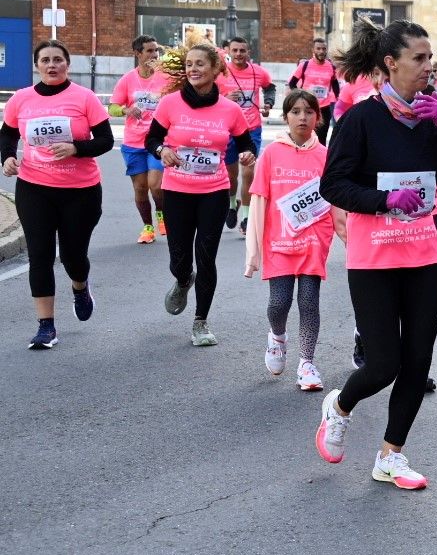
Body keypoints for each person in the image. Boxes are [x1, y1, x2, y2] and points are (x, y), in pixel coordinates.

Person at [315, 20, 437, 489]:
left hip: (423, 254)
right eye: (419, 59)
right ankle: (340, 406)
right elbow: (332, 184)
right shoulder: (361, 118)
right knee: (384, 363)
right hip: (374, 257)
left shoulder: (431, 119)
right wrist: (384, 201)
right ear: (390, 63)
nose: (429, 67)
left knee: (418, 360)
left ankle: (390, 455)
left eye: (430, 57)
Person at [1, 39, 112, 349]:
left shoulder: (85, 98)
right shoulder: (21, 99)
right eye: (45, 60)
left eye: (58, 60)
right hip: (34, 187)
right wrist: (7, 157)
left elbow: (105, 140)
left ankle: (80, 286)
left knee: (73, 257)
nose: (52, 65)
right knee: (40, 255)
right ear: (37, 65)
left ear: (67, 64)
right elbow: (8, 134)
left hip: (81, 191)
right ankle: (46, 326)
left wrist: (76, 148)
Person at [146, 42, 255, 346]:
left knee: (206, 257)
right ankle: (183, 280)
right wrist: (162, 149)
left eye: (200, 64)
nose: (193, 69)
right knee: (179, 258)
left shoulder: (230, 110)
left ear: (216, 69)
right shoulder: (170, 104)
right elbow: (151, 138)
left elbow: (247, 144)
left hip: (214, 191)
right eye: (189, 64)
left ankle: (201, 322)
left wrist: (247, 155)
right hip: (177, 190)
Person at [245, 89, 344, 391]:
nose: (303, 117)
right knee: (279, 303)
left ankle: (307, 362)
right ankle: (277, 337)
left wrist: (347, 236)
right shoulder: (272, 153)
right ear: (286, 117)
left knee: (309, 302)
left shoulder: (326, 156)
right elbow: (259, 200)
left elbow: (337, 201)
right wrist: (254, 251)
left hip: (314, 240)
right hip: (279, 242)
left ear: (318, 117)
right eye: (296, 112)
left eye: (309, 112)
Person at [109, 35, 168, 243]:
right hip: (133, 143)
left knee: (156, 185)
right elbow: (112, 107)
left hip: (158, 141)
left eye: (156, 51)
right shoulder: (128, 79)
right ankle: (148, 227)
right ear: (138, 53)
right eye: (149, 51)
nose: (154, 55)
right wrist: (126, 109)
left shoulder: (166, 77)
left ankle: (161, 214)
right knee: (141, 188)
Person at [219, 37, 273, 235]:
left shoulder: (258, 71)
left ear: (248, 51)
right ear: (229, 52)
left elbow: (270, 87)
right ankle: (233, 204)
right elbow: (208, 96)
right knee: (231, 176)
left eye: (243, 50)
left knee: (248, 173)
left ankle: (246, 217)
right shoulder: (220, 73)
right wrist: (223, 98)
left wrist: (268, 104)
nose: (239, 54)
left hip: (251, 129)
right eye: (235, 50)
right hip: (228, 130)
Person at [289, 37, 339, 144]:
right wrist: (299, 97)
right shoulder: (305, 65)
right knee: (305, 137)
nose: (321, 51)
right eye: (318, 49)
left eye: (324, 49)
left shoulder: (331, 66)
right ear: (313, 50)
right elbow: (292, 83)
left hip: (324, 109)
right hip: (307, 107)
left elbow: (335, 84)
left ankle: (319, 160)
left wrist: (338, 99)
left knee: (321, 139)